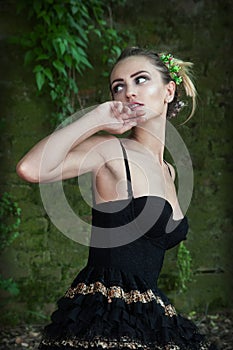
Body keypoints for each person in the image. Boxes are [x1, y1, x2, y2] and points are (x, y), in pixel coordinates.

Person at [17, 47, 217, 349]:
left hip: (148, 312)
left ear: (168, 90)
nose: (128, 92)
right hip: (104, 312)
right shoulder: (112, 151)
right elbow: (30, 168)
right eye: (118, 87)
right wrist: (96, 118)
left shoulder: (170, 173)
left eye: (140, 80)